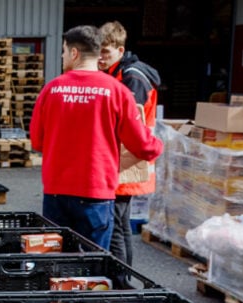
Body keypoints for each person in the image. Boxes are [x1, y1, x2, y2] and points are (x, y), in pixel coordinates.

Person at [29, 25, 163, 250]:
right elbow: (141, 145)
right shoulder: (116, 91)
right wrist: (158, 146)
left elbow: (37, 141)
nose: (62, 57)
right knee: (94, 262)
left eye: (63, 51)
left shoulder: (51, 89)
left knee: (56, 258)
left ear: (74, 53)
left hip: (56, 192)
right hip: (96, 192)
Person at [98, 20, 161, 265]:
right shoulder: (117, 73)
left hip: (128, 159)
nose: (101, 58)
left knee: (115, 225)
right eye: (99, 51)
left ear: (120, 51)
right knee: (120, 224)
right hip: (126, 158)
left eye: (106, 52)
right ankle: (124, 277)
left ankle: (122, 279)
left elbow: (126, 120)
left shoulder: (133, 78)